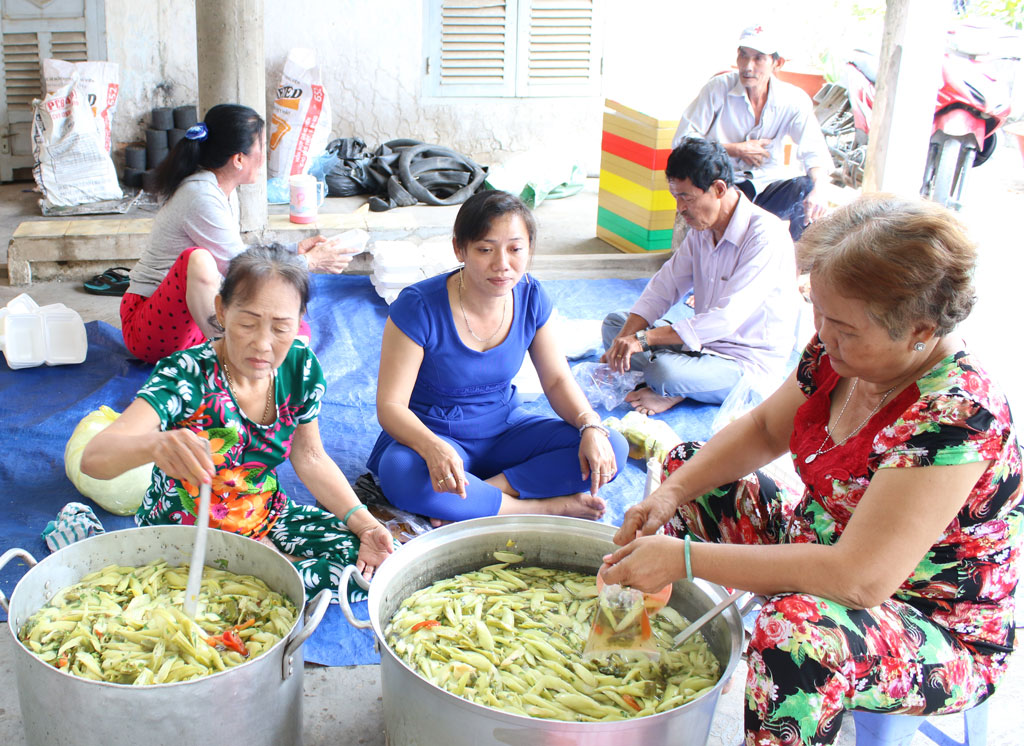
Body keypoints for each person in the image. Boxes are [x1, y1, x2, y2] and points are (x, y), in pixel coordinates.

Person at [601, 194, 1022, 746]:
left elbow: (860, 579)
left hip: (928, 615)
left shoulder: (959, 412)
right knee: (689, 474)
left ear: (919, 330)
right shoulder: (835, 355)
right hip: (822, 536)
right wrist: (671, 492)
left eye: (845, 327)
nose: (823, 335)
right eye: (819, 313)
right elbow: (765, 430)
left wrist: (683, 559)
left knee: (793, 637)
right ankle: (632, 663)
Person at [84, 245, 394, 601]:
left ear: (300, 320)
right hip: (187, 537)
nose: (262, 344)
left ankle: (272, 573)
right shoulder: (187, 375)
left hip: (264, 513)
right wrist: (154, 445)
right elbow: (94, 459)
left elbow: (310, 457)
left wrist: (366, 525)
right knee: (215, 595)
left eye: (281, 327)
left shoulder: (299, 367)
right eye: (247, 323)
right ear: (221, 310)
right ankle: (268, 577)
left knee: (372, 565)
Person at [368, 189, 629, 524]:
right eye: (485, 249)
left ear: (529, 249)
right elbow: (390, 407)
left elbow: (558, 378)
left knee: (612, 447)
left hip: (505, 431)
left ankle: (481, 496)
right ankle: (542, 508)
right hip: (434, 432)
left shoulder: (531, 296)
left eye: (515, 249)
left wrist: (590, 424)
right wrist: (432, 447)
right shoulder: (419, 306)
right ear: (459, 248)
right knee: (400, 472)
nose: (502, 265)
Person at [121, 103, 359, 364]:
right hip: (150, 328)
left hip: (188, 320)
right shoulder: (200, 195)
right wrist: (309, 262)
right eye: (261, 146)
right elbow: (243, 270)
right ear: (238, 159)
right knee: (198, 260)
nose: (264, 155)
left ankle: (232, 348)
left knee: (293, 329)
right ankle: (227, 359)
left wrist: (293, 251)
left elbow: (240, 253)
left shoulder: (222, 189)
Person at [602, 137, 800, 416]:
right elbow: (664, 286)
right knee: (616, 325)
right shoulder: (702, 231)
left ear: (718, 189)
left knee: (663, 372)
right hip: (701, 345)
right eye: (676, 197)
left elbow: (726, 318)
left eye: (687, 198)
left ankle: (674, 389)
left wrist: (643, 340)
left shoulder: (765, 235)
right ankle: (680, 383)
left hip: (744, 360)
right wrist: (624, 339)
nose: (680, 208)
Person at [674, 24, 833, 241]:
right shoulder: (718, 89)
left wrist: (820, 189)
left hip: (768, 185)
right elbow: (682, 142)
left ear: (777, 63)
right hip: (725, 188)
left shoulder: (793, 100)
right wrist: (733, 150)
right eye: (743, 56)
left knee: (807, 189)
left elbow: (814, 151)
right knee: (712, 198)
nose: (748, 66)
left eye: (758, 58)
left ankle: (794, 263)